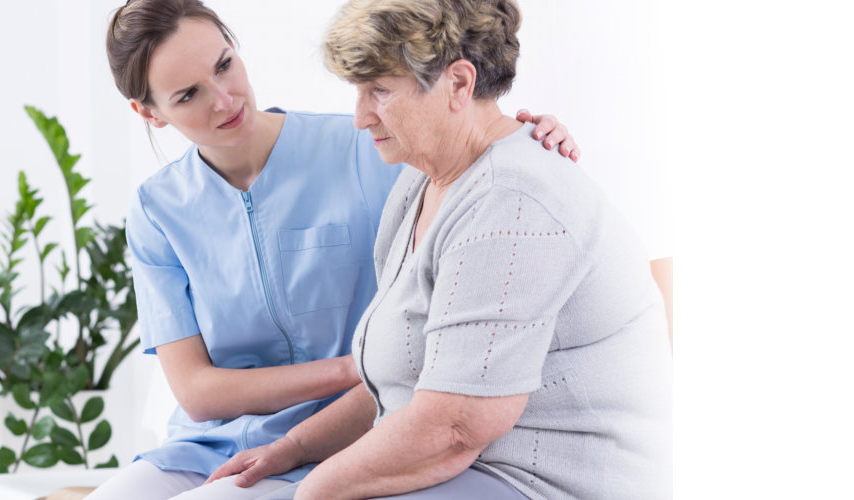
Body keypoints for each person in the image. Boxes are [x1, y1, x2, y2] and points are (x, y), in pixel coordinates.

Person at [91, 1, 581, 498]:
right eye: (189, 94)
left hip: (355, 432)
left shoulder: (368, 146)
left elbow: (474, 169)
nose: (224, 99)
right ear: (149, 113)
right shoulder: (158, 210)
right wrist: (357, 366)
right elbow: (197, 393)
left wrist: (526, 136)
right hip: (207, 444)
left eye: (224, 65)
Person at [205, 0, 672, 498]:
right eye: (359, 91)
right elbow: (401, 382)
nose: (360, 117)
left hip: (538, 482)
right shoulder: (420, 183)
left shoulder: (511, 201)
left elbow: (454, 429)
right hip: (461, 463)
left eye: (379, 91)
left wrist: (311, 491)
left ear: (458, 84)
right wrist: (293, 448)